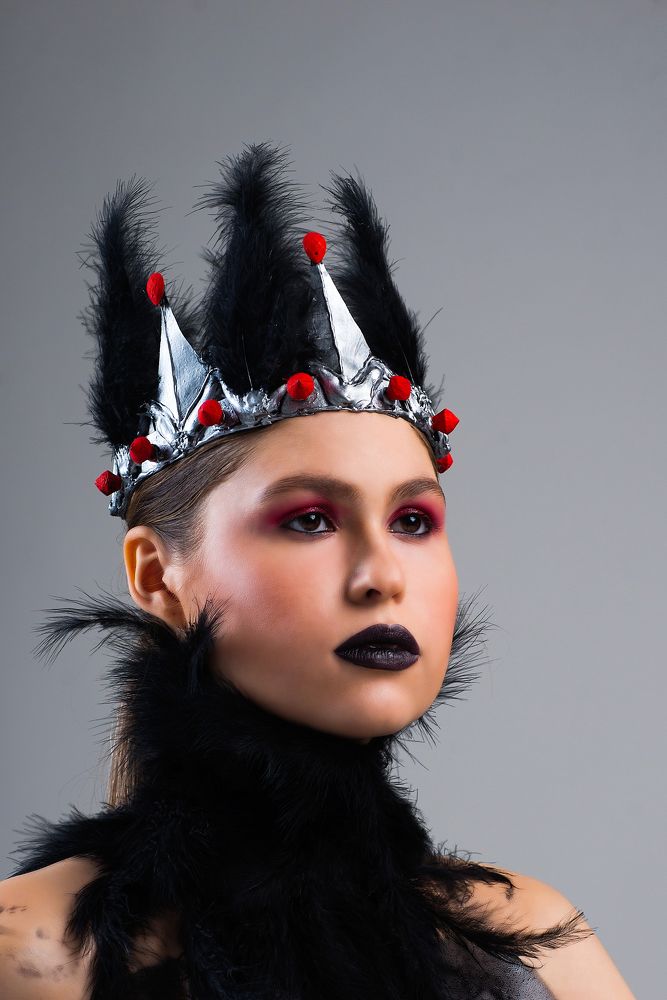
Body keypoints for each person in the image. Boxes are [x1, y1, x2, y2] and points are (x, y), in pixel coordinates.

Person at [0, 144, 634, 999]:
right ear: (155, 576)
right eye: (308, 520)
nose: (381, 576)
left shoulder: (541, 946)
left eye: (412, 521)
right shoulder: (28, 957)